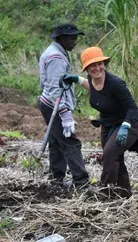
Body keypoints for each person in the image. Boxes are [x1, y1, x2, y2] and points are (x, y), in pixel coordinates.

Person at [63, 46, 138, 198]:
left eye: (99, 64)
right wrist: (77, 80)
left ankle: (105, 193)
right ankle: (124, 195)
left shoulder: (116, 83)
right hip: (108, 125)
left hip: (129, 123)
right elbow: (95, 89)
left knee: (109, 154)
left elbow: (132, 108)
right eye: (92, 66)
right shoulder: (91, 79)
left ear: (104, 64)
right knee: (115, 158)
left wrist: (125, 126)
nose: (97, 68)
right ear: (87, 69)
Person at [38, 23, 89, 188]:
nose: (74, 41)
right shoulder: (56, 58)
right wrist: (65, 114)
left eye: (76, 38)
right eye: (71, 38)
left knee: (56, 142)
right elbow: (55, 88)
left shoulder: (55, 52)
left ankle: (56, 180)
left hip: (49, 103)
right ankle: (81, 183)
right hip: (55, 105)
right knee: (70, 142)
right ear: (61, 38)